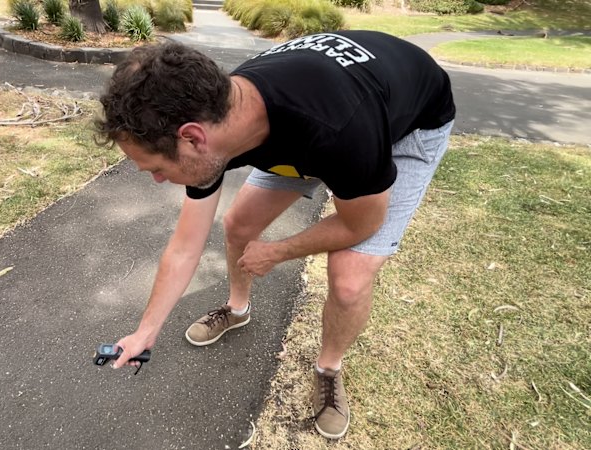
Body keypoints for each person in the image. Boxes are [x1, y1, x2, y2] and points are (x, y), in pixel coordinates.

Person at [95, 30, 455, 439]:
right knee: (238, 225)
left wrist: (279, 251)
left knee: (350, 278)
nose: (159, 180)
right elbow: (183, 248)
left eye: (156, 168)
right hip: (324, 117)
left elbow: (361, 224)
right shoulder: (221, 118)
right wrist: (146, 331)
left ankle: (328, 368)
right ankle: (237, 308)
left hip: (408, 122)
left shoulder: (337, 128)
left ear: (192, 138)